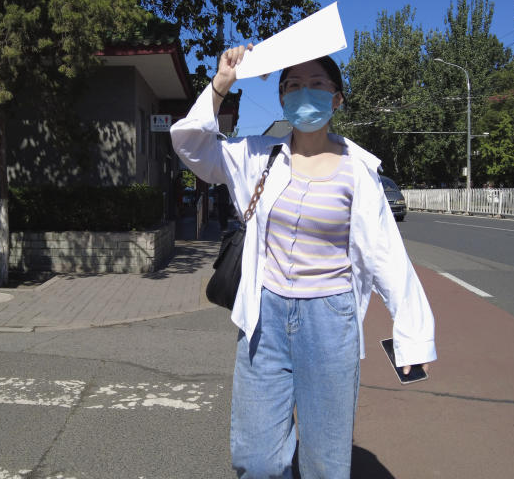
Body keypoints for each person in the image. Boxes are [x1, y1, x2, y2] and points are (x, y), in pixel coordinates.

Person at [170, 45, 436, 478]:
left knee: (325, 465)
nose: (303, 94)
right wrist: (222, 83)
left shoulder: (358, 171)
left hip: (331, 321)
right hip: (265, 319)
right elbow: (192, 146)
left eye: (316, 85)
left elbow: (387, 254)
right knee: (256, 461)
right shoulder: (258, 156)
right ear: (281, 98)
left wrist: (413, 336)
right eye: (292, 86)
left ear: (337, 97)